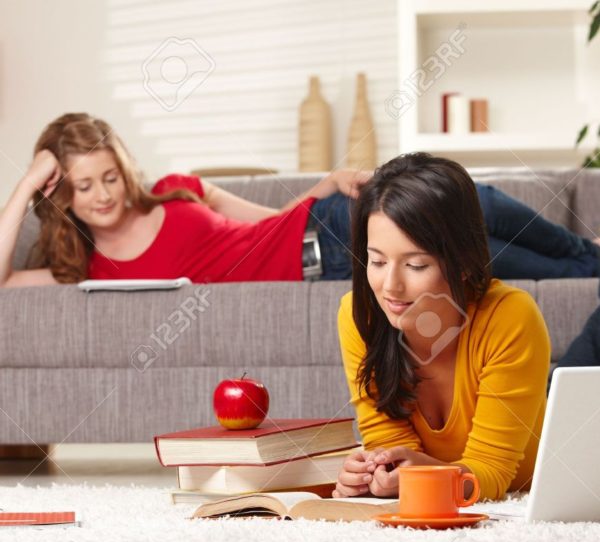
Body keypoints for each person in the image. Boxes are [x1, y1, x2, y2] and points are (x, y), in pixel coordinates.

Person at [1, 112, 598, 287]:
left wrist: (318, 187)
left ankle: (589, 256)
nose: (103, 194)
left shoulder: (173, 188)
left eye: (108, 176)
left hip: (329, 218)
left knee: (474, 200)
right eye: (83, 185)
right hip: (334, 265)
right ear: (62, 196)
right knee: (477, 256)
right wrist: (27, 182)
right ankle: (589, 267)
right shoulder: (79, 269)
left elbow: (265, 224)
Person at [333, 153, 551, 502]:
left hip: (517, 496)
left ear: (463, 262)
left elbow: (492, 472)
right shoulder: (360, 315)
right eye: (377, 261)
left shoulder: (511, 316)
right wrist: (376, 472)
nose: (390, 286)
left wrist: (422, 475)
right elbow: (386, 439)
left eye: (416, 265)